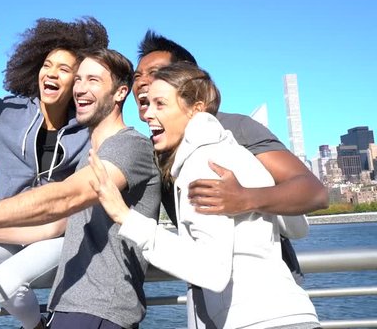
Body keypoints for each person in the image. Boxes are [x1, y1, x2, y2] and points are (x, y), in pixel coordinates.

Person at [0, 48, 161, 329]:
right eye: (47, 64)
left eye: (67, 70)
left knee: (9, 280)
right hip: (14, 230)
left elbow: (67, 200)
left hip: (62, 240)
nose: (54, 74)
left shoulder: (93, 133)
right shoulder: (5, 113)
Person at [89, 62, 320, 329]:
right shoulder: (239, 153)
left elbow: (212, 271)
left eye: (160, 104)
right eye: (148, 103)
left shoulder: (201, 163)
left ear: (195, 110)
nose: (148, 114)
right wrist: (252, 197)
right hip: (295, 313)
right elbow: (298, 227)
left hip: (256, 321)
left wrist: (125, 217)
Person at [131, 30, 328, 281]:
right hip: (210, 295)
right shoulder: (153, 151)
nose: (142, 82)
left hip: (268, 298)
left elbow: (315, 192)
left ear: (186, 79)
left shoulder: (234, 129)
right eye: (137, 76)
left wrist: (247, 198)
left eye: (155, 73)